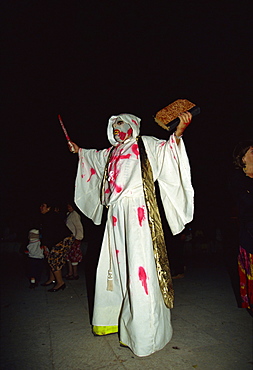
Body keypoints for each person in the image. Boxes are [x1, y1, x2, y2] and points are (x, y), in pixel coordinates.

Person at [69, 111, 194, 357]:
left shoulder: (145, 144)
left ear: (132, 126)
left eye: (121, 125)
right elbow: (92, 157)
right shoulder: (111, 152)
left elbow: (168, 151)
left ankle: (144, 335)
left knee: (140, 270)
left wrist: (177, 133)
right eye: (113, 127)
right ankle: (115, 320)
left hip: (138, 212)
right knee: (116, 268)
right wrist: (79, 151)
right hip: (115, 216)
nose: (117, 130)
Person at [229, 140, 253, 315]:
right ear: (243, 158)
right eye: (252, 151)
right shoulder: (238, 179)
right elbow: (245, 203)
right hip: (249, 231)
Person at [39, 202, 74, 292]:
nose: (41, 207)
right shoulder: (48, 216)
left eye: (43, 206)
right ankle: (52, 279)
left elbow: (49, 234)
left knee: (54, 260)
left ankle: (60, 283)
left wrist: (46, 246)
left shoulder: (50, 216)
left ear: (48, 208)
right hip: (58, 240)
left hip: (63, 240)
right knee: (51, 259)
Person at [64, 203, 84, 280]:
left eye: (70, 206)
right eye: (68, 206)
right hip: (69, 239)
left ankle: (75, 274)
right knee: (68, 256)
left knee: (74, 257)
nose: (69, 207)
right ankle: (70, 272)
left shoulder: (75, 214)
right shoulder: (69, 214)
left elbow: (79, 227)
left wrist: (78, 238)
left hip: (74, 239)